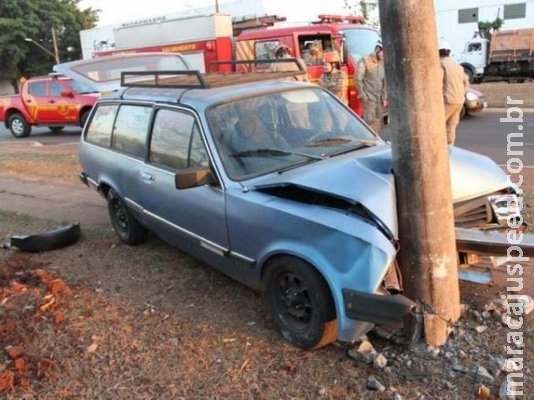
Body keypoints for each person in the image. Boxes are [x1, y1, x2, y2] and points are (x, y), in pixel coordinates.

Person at [439, 38, 468, 145]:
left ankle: (440, 151)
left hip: (447, 100)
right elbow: (466, 84)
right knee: (451, 126)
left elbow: (437, 83)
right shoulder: (458, 66)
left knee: (437, 126)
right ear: (449, 52)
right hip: (459, 101)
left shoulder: (441, 64)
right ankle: (450, 149)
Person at [355, 40, 387, 133]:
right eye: (382, 52)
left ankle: (377, 143)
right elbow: (357, 79)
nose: (383, 55)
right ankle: (371, 144)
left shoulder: (382, 62)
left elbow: (385, 81)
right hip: (369, 98)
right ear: (377, 50)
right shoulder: (365, 61)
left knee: (378, 123)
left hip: (379, 99)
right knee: (370, 123)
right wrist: (363, 96)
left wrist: (384, 97)